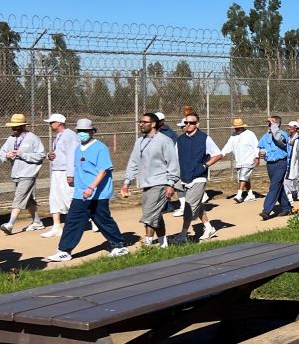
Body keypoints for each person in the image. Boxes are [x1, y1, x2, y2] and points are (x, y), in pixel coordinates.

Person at [45, 119, 129, 262]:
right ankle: (64, 250)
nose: (82, 134)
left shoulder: (100, 148)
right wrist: (73, 180)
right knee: (72, 220)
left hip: (98, 193)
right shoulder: (78, 149)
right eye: (80, 131)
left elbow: (103, 170)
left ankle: (119, 245)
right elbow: (78, 167)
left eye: (85, 131)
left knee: (102, 219)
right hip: (80, 193)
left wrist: (91, 187)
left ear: (92, 132)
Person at [121, 112, 180, 248]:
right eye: (140, 122)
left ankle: (147, 244)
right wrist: (126, 182)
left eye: (144, 122)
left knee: (149, 215)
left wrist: (171, 184)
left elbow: (173, 163)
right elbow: (133, 163)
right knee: (156, 215)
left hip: (160, 183)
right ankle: (163, 244)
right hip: (146, 184)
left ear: (153, 124)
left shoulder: (164, 140)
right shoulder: (139, 142)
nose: (141, 124)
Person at [174, 113, 223, 243]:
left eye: (192, 123)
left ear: (198, 124)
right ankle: (209, 228)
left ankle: (183, 235)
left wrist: (204, 165)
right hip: (184, 177)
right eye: (186, 123)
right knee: (198, 204)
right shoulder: (180, 140)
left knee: (188, 207)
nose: (188, 125)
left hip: (198, 178)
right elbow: (175, 158)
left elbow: (218, 154)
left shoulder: (204, 138)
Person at [0, 114, 47, 235]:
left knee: (19, 197)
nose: (14, 129)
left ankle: (10, 224)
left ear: (23, 126)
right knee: (28, 199)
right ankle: (37, 222)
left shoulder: (33, 138)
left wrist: (22, 154)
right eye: (13, 127)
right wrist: (6, 155)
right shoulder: (11, 139)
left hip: (29, 173)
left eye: (17, 127)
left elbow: (41, 155)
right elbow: (1, 153)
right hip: (16, 173)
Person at [41, 113, 80, 238]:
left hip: (65, 172)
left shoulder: (70, 135)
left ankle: (83, 222)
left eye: (52, 122)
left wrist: (70, 174)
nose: (50, 125)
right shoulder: (58, 136)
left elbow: (72, 155)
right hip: (57, 171)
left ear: (59, 123)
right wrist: (49, 156)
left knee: (69, 198)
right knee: (55, 198)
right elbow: (59, 153)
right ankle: (56, 226)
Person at [258, 115, 291, 219]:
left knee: (274, 186)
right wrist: (261, 152)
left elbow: (278, 138)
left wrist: (274, 126)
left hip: (281, 163)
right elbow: (261, 147)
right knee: (278, 187)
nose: (268, 124)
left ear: (276, 124)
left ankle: (266, 210)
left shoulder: (282, 134)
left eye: (270, 122)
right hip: (270, 165)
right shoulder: (265, 136)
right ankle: (287, 208)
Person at [220, 118, 260, 203]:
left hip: (249, 159)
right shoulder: (233, 135)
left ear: (242, 127)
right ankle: (250, 194)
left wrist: (257, 157)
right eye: (235, 127)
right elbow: (228, 146)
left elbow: (257, 146)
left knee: (243, 175)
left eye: (238, 127)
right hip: (239, 160)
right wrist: (222, 154)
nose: (236, 129)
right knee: (244, 178)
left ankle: (239, 195)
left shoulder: (250, 134)